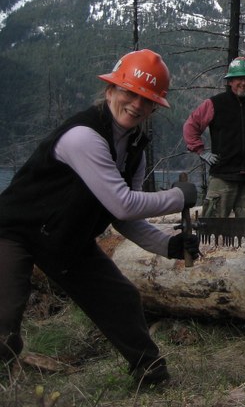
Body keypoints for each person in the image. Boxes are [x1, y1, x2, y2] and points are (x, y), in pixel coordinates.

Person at [0, 49, 199, 388]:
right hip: (14, 231)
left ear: (154, 107)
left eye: (146, 99)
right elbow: (122, 204)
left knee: (121, 298)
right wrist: (178, 197)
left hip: (66, 239)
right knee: (3, 322)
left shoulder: (133, 151)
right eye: (129, 93)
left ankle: (152, 377)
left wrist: (169, 245)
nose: (136, 104)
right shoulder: (84, 136)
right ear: (110, 91)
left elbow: (124, 219)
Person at [183, 56, 245, 218]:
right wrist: (201, 151)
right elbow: (191, 126)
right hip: (222, 177)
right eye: (239, 79)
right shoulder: (215, 104)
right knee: (212, 229)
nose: (243, 83)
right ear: (230, 81)